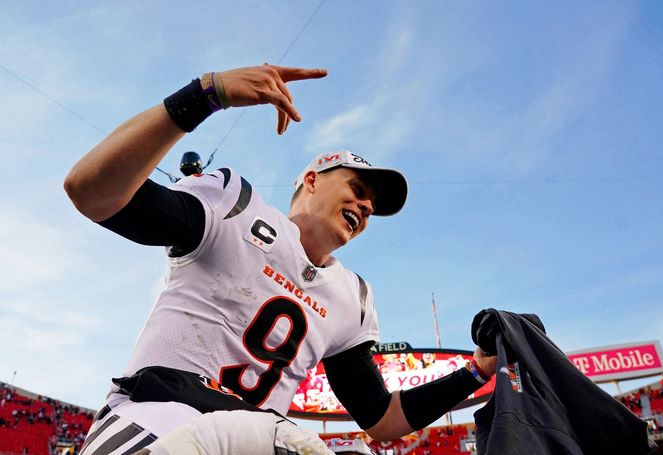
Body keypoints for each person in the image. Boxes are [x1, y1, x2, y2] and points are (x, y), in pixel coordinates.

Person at [64, 64, 496, 455]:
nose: (365, 207)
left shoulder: (351, 297)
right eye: (358, 190)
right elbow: (91, 190)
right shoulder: (237, 208)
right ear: (311, 179)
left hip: (260, 441)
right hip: (159, 413)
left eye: (372, 207)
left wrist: (475, 372)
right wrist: (205, 95)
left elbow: (382, 419)